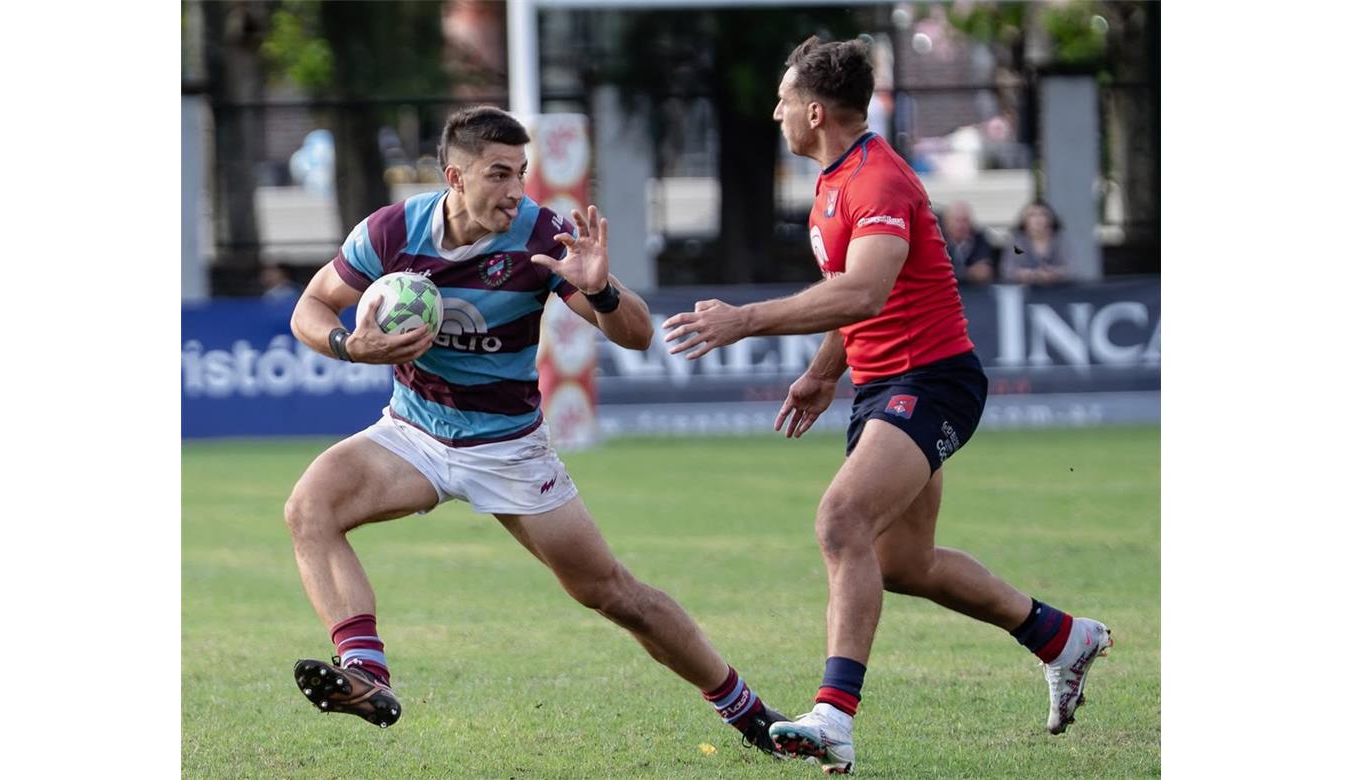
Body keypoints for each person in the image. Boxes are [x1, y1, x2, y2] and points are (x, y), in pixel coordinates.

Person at [662, 37, 1111, 774]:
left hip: (931, 381)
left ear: (813, 111)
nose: (774, 113)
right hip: (883, 385)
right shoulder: (835, 179)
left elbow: (864, 291)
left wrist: (744, 319)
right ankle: (1061, 637)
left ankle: (833, 719)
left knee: (842, 522)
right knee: (904, 563)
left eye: (782, 101)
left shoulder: (877, 182)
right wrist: (822, 372)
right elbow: (861, 300)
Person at [284, 106, 787, 757]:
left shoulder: (541, 237)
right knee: (309, 507)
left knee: (611, 594)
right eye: (499, 174)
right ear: (454, 177)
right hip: (414, 433)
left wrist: (601, 292)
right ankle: (365, 674)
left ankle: (749, 713)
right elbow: (311, 305)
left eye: (522, 173)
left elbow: (634, 336)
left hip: (507, 447)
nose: (516, 190)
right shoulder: (391, 233)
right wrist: (351, 346)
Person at [1003, 201, 1068, 285]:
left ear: (1050, 219)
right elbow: (1008, 270)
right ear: (1024, 220)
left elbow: (1071, 269)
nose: (1038, 219)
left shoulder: (1060, 240)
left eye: (1042, 214)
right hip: (1024, 291)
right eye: (1032, 215)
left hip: (1057, 291)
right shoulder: (1017, 242)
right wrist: (1032, 275)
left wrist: (1054, 273)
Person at [940, 202, 997, 284]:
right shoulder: (936, 242)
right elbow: (938, 272)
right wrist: (968, 273)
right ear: (946, 223)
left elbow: (984, 271)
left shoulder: (981, 240)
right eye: (957, 220)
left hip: (975, 292)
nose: (960, 226)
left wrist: (956, 272)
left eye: (964, 220)